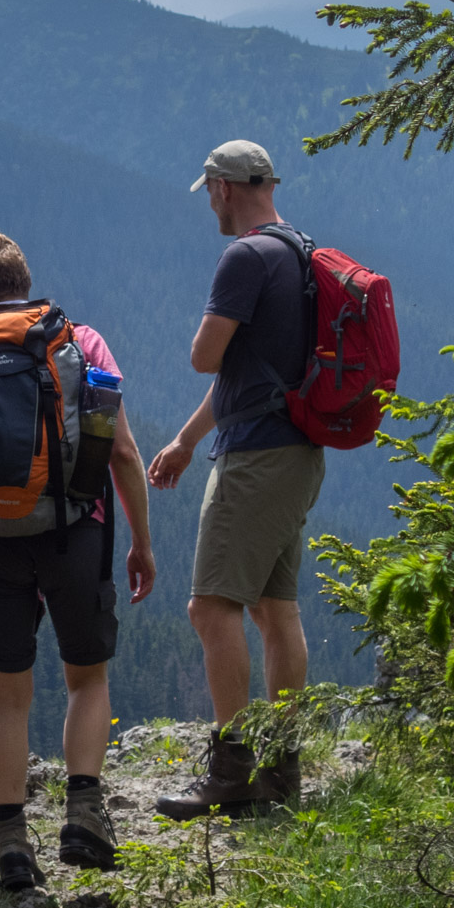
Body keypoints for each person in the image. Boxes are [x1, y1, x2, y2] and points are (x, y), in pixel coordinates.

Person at [0, 230, 156, 887]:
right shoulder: (80, 343)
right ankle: (83, 812)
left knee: (10, 694)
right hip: (77, 530)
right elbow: (123, 452)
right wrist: (140, 541)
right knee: (86, 679)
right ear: (23, 280)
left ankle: (10, 845)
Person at [146, 140, 323, 817]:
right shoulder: (301, 253)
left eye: (210, 193)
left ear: (222, 188)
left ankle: (231, 771)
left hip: (256, 459)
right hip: (299, 451)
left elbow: (206, 357)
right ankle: (282, 768)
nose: (211, 205)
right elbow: (249, 374)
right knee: (275, 610)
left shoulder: (244, 256)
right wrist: (188, 441)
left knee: (210, 606)